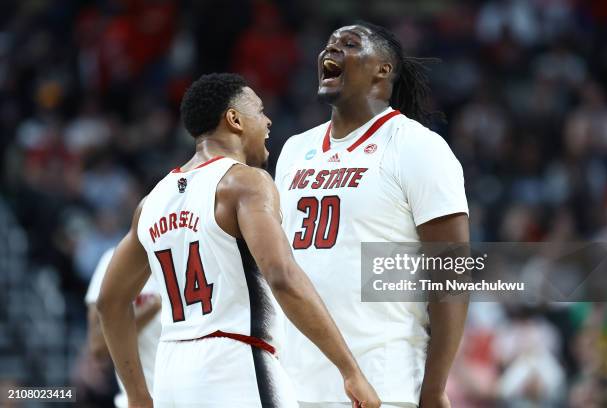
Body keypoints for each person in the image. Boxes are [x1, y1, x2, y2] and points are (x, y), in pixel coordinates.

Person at [97, 73, 380, 408]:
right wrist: (350, 370)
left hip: (172, 371)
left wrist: (137, 394)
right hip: (236, 365)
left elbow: (109, 303)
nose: (268, 120)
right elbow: (282, 277)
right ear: (234, 120)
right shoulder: (245, 182)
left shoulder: (151, 202)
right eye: (259, 111)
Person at [274, 22, 470, 408]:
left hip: (385, 384)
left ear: (383, 69)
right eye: (328, 44)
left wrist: (433, 388)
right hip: (294, 385)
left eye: (349, 44)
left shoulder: (417, 146)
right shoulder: (295, 149)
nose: (331, 50)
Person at [85, 247, 161, 408]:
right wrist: (151, 309)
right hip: (140, 400)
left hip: (190, 396)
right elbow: (98, 346)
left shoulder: (192, 252)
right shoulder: (114, 259)